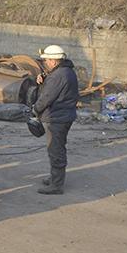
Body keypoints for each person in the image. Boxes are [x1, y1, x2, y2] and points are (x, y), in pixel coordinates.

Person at [32, 44, 79, 195]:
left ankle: (56, 185)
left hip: (57, 118)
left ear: (53, 61)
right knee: (57, 148)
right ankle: (55, 178)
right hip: (63, 116)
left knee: (55, 150)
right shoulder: (65, 71)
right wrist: (44, 80)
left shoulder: (59, 76)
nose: (45, 63)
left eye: (46, 60)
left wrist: (35, 109)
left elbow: (46, 97)